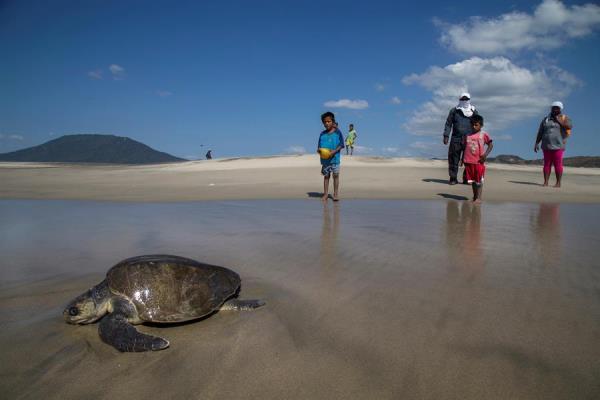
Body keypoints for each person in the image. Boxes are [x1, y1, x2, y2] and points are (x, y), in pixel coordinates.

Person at [443, 92, 479, 185]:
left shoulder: (474, 111)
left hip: (470, 140)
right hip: (456, 138)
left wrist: (478, 137)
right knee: (453, 159)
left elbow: (477, 124)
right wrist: (446, 135)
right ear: (460, 100)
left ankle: (467, 178)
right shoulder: (454, 110)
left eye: (466, 99)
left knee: (469, 160)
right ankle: (453, 178)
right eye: (462, 99)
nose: (464, 101)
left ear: (469, 100)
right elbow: (448, 123)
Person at [534, 101, 572, 188]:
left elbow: (569, 126)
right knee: (546, 164)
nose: (555, 109)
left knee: (557, 164)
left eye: (557, 108)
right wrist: (536, 143)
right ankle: (546, 182)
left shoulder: (564, 118)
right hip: (546, 145)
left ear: (560, 109)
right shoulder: (546, 119)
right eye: (553, 107)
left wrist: (558, 121)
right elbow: (540, 132)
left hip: (558, 145)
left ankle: (558, 183)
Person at [460, 114, 493, 203]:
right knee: (473, 181)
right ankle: (475, 196)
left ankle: (479, 198)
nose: (474, 127)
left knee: (479, 181)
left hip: (479, 161)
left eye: (476, 125)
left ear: (481, 125)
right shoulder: (467, 135)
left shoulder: (483, 135)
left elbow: (490, 145)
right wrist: (462, 159)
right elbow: (464, 147)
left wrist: (485, 155)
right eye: (472, 125)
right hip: (468, 161)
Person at [317, 111, 345, 201]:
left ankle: (335, 194)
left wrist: (334, 152)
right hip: (325, 161)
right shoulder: (322, 134)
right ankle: (325, 194)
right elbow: (319, 147)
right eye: (325, 122)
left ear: (333, 122)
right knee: (326, 177)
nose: (327, 123)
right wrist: (319, 151)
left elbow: (341, 144)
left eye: (328, 121)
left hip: (335, 159)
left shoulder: (338, 132)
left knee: (336, 176)